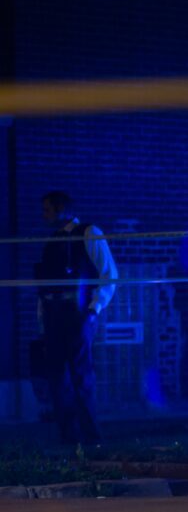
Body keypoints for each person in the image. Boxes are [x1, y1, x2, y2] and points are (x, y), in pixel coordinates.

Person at [34, 191, 118, 446]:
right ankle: (68, 437)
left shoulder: (88, 233)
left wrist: (94, 309)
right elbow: (45, 284)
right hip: (54, 312)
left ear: (62, 209)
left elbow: (108, 273)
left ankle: (91, 436)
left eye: (48, 209)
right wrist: (43, 317)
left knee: (80, 373)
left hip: (77, 311)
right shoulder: (54, 240)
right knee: (57, 375)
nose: (44, 215)